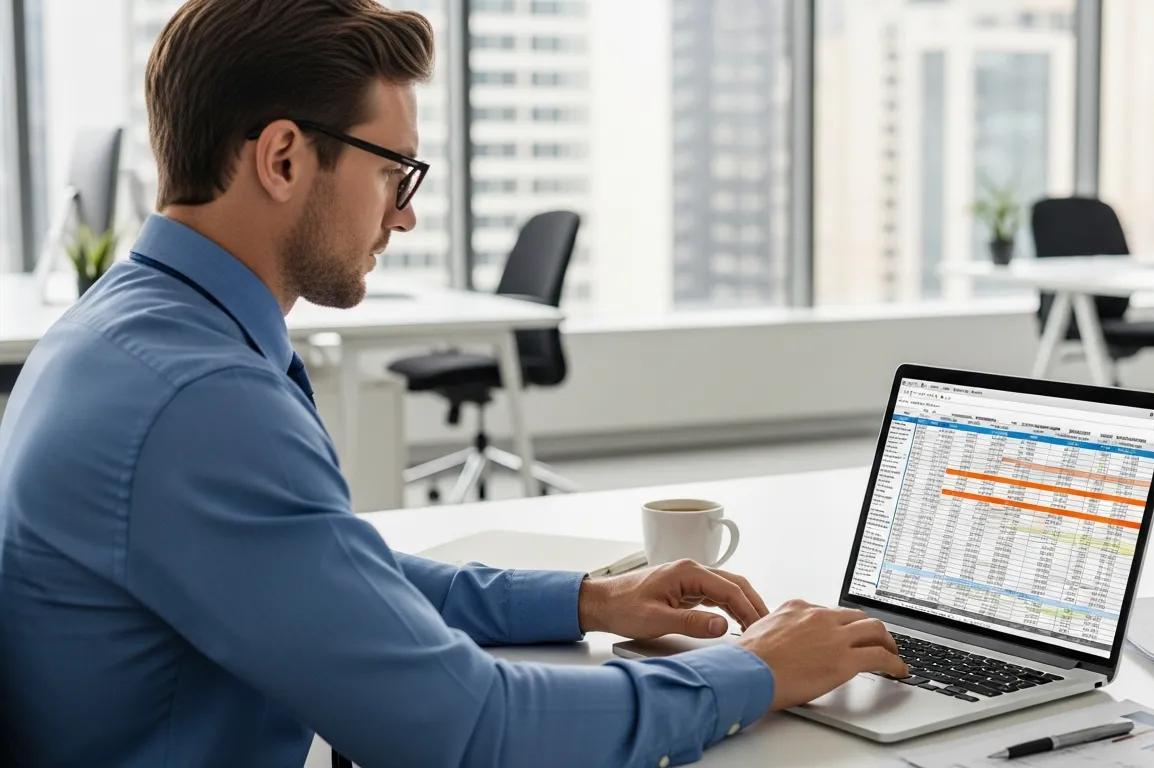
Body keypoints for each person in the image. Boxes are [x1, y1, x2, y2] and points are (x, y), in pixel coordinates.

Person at [0, 1, 906, 765]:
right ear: (282, 158)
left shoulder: (121, 331)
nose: (406, 211)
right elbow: (469, 728)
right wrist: (758, 670)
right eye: (392, 170)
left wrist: (585, 599)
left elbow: (317, 573)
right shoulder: (197, 399)